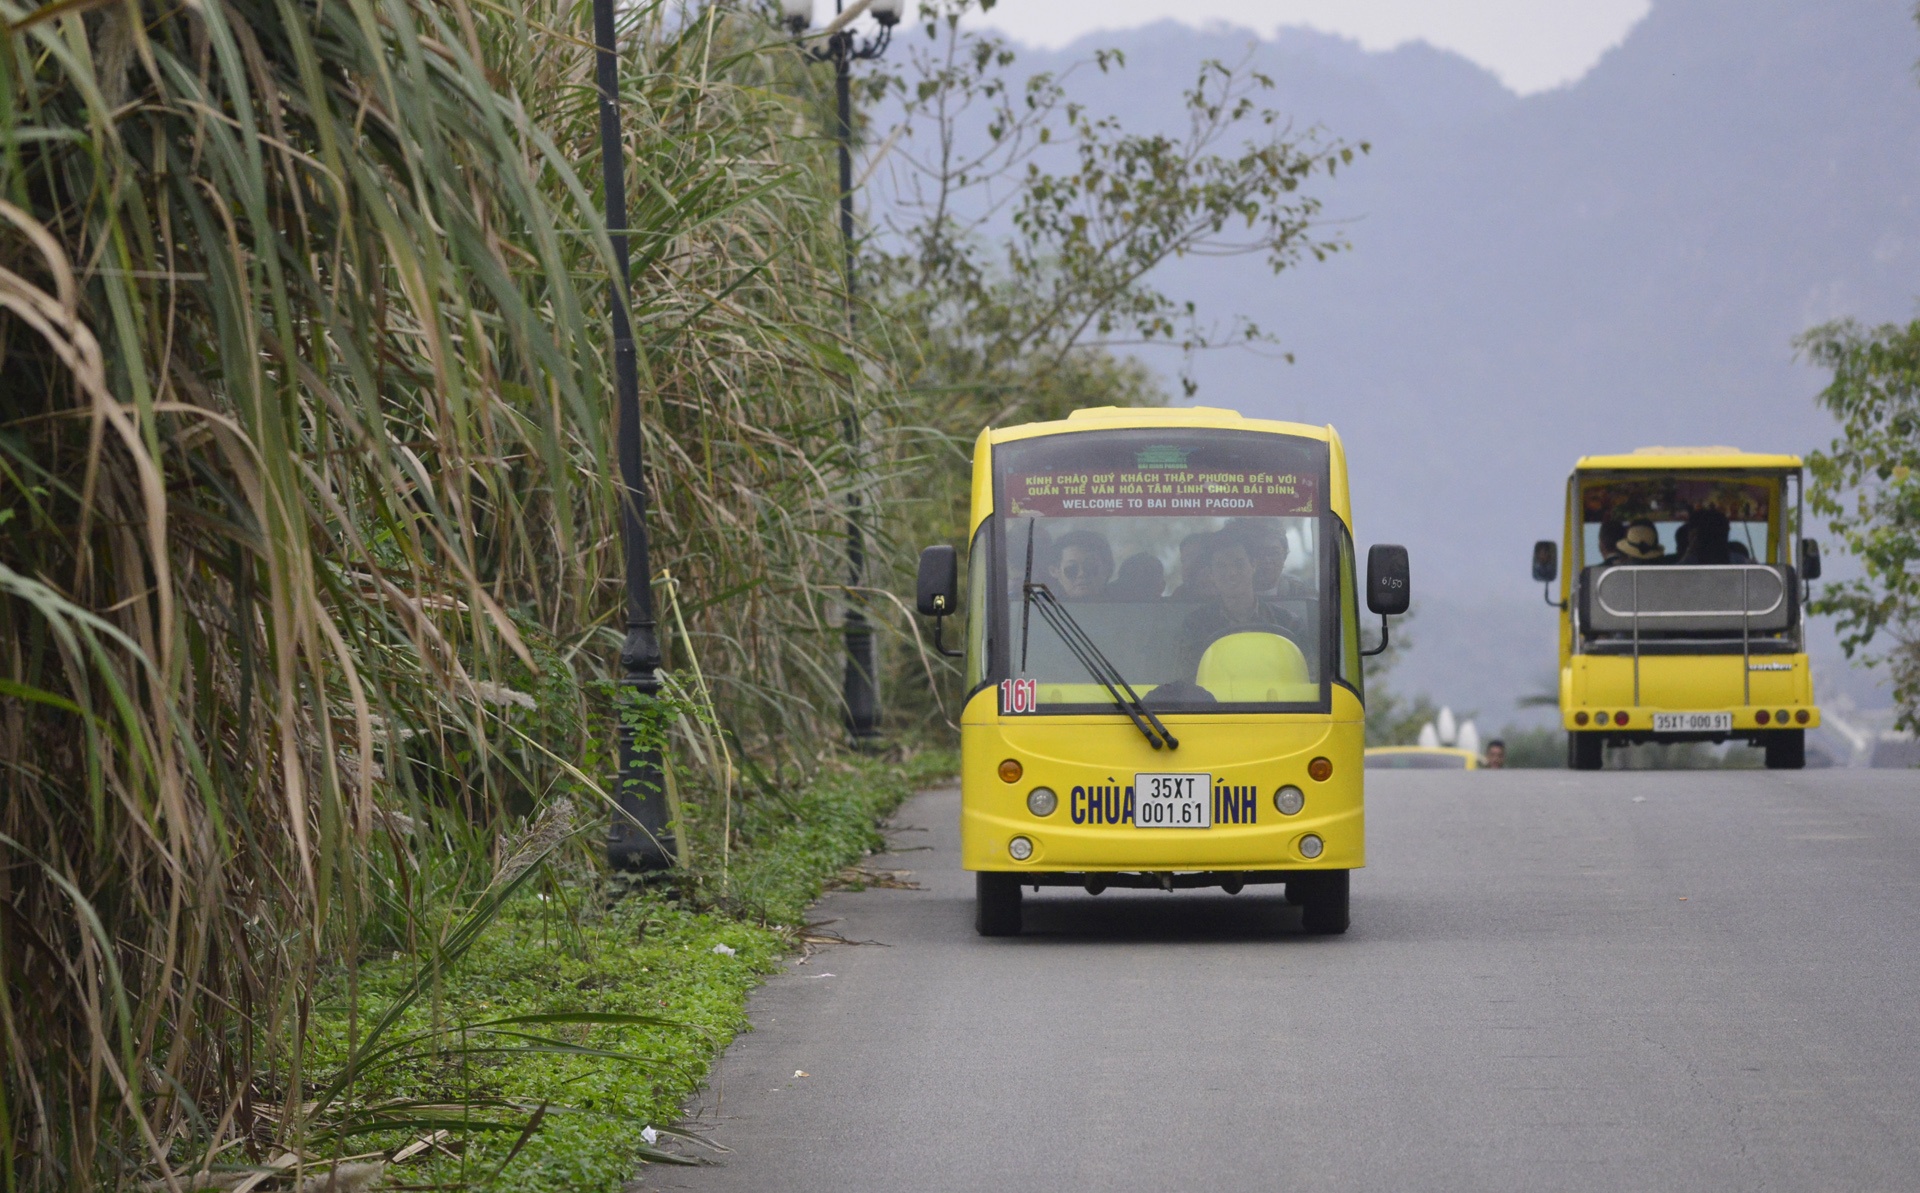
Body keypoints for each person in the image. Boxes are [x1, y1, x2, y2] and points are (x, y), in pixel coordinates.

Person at [1179, 531, 1308, 672]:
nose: (1231, 573)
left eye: (1238, 564)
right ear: (1211, 573)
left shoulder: (1289, 623)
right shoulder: (1194, 626)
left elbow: (1306, 677)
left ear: (1253, 565)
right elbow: (1189, 679)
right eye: (1222, 566)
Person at [1044, 529, 1113, 600]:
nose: (1081, 574)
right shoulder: (1039, 605)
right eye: (1072, 568)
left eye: (1090, 567)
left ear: (1107, 569)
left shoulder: (1123, 602)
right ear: (1054, 571)